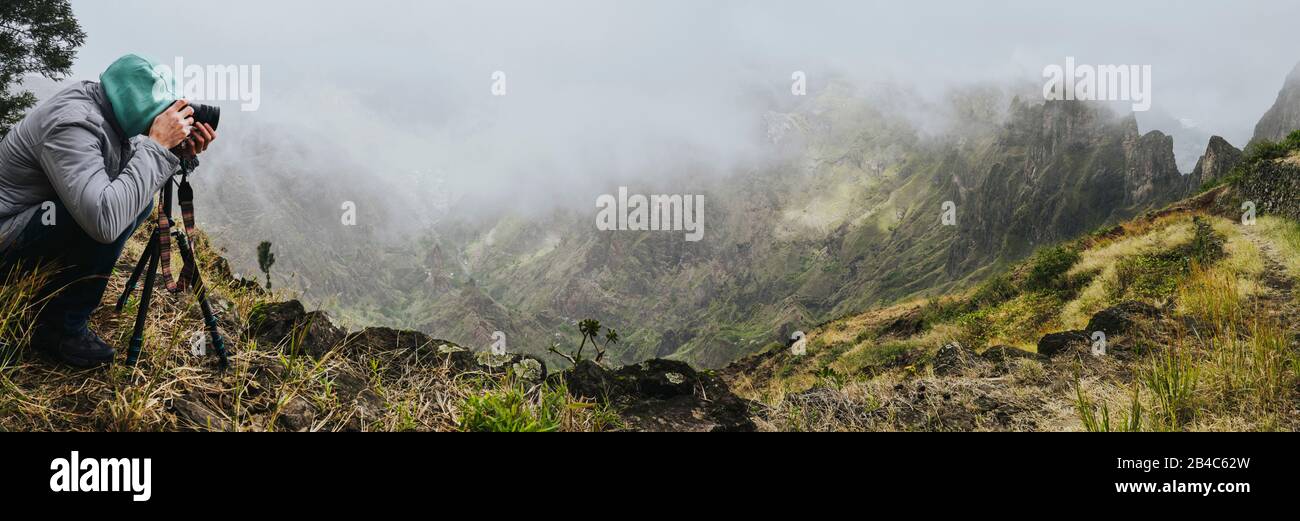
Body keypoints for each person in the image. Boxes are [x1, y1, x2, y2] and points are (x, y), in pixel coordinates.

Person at [0, 54, 217, 367]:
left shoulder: (108, 112)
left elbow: (123, 183)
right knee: (104, 213)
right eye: (160, 111)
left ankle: (52, 297)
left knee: (132, 201)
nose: (164, 118)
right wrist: (156, 147)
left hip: (29, 222)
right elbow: (104, 219)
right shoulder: (73, 122)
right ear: (137, 104)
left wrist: (174, 153)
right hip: (8, 235)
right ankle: (60, 327)